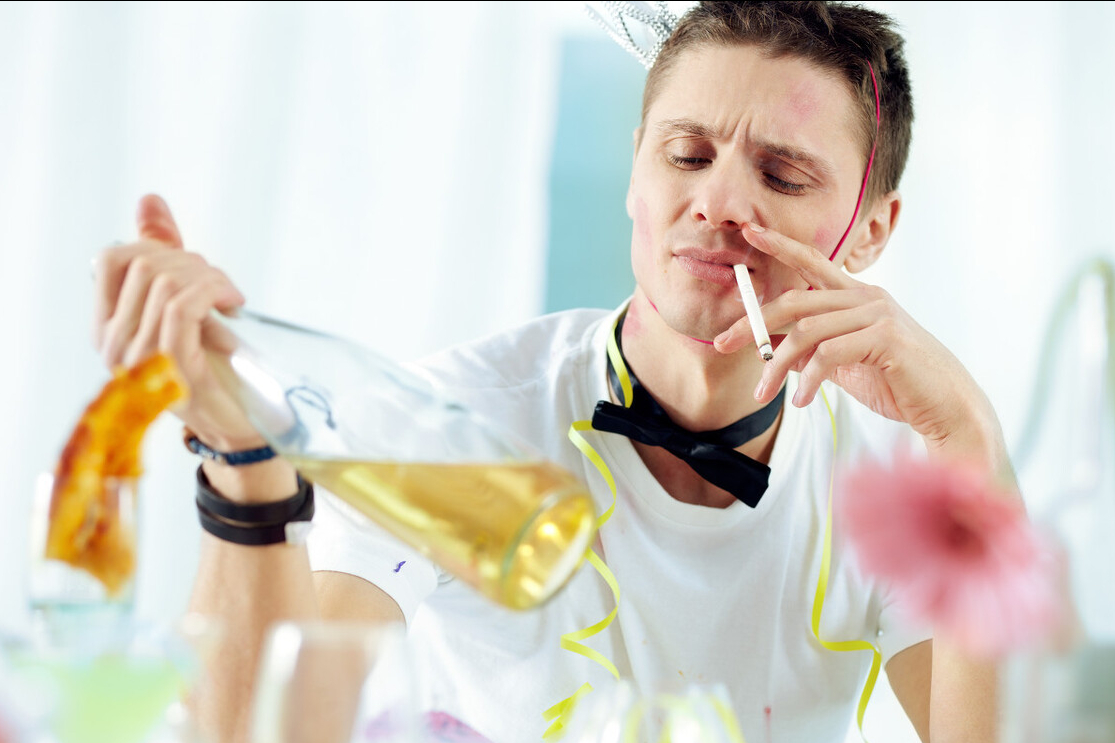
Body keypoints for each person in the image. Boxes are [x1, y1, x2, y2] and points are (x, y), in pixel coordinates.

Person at [93, 2, 1014, 741]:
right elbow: (275, 730)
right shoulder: (452, 422)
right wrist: (244, 461)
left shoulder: (898, 481)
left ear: (871, 231)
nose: (718, 201)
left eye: (781, 175)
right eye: (686, 155)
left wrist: (968, 439)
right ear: (636, 174)